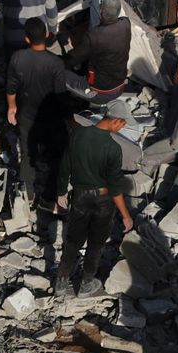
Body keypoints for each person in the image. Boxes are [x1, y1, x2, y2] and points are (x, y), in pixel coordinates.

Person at [54, 99, 135, 296]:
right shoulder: (113, 149)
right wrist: (126, 215)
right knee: (96, 244)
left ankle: (61, 282)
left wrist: (61, 190)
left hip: (80, 196)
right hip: (103, 202)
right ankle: (86, 284)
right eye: (123, 124)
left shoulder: (78, 133)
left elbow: (66, 163)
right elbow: (115, 188)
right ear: (115, 121)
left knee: (73, 240)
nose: (122, 128)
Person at [6, 17, 76, 205]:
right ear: (46, 35)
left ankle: (28, 193)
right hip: (51, 117)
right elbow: (61, 95)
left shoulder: (17, 58)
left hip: (27, 115)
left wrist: (12, 108)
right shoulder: (55, 63)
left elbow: (11, 87)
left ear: (27, 39)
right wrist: (70, 119)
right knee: (56, 155)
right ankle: (51, 195)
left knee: (28, 154)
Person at [65, 0, 130, 105]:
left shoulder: (95, 36)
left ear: (101, 12)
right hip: (120, 85)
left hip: (100, 93)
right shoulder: (126, 24)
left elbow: (73, 58)